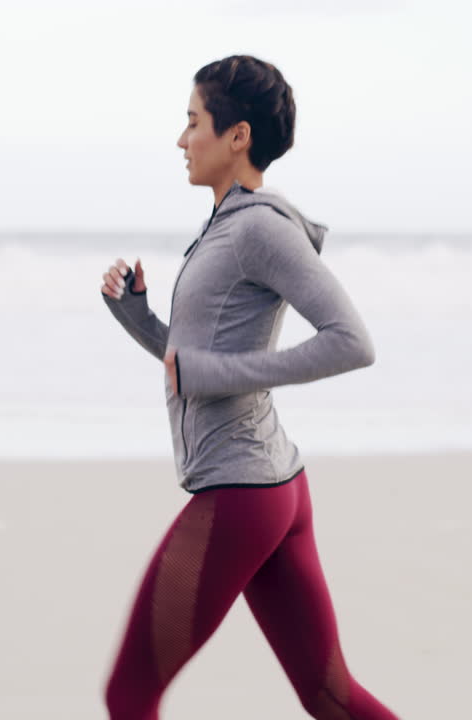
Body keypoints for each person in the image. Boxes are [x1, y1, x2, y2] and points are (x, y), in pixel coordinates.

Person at [98, 55, 400, 720]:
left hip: (242, 491)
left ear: (237, 135)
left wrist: (213, 372)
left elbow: (352, 341)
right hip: (271, 488)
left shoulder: (260, 226)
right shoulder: (225, 226)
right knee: (331, 697)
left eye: (193, 121)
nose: (181, 140)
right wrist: (140, 320)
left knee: (129, 693)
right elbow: (196, 365)